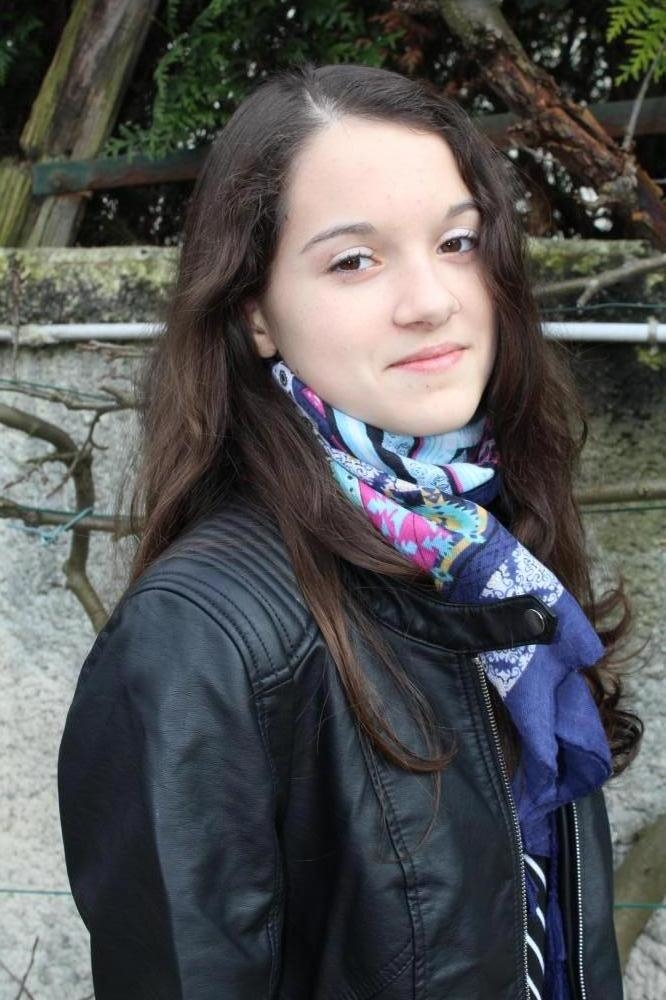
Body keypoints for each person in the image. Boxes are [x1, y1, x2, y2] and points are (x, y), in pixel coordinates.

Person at [58, 63, 642, 1000]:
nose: (431, 300)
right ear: (254, 312)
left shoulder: (488, 555)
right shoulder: (198, 638)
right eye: (354, 261)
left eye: (458, 241)